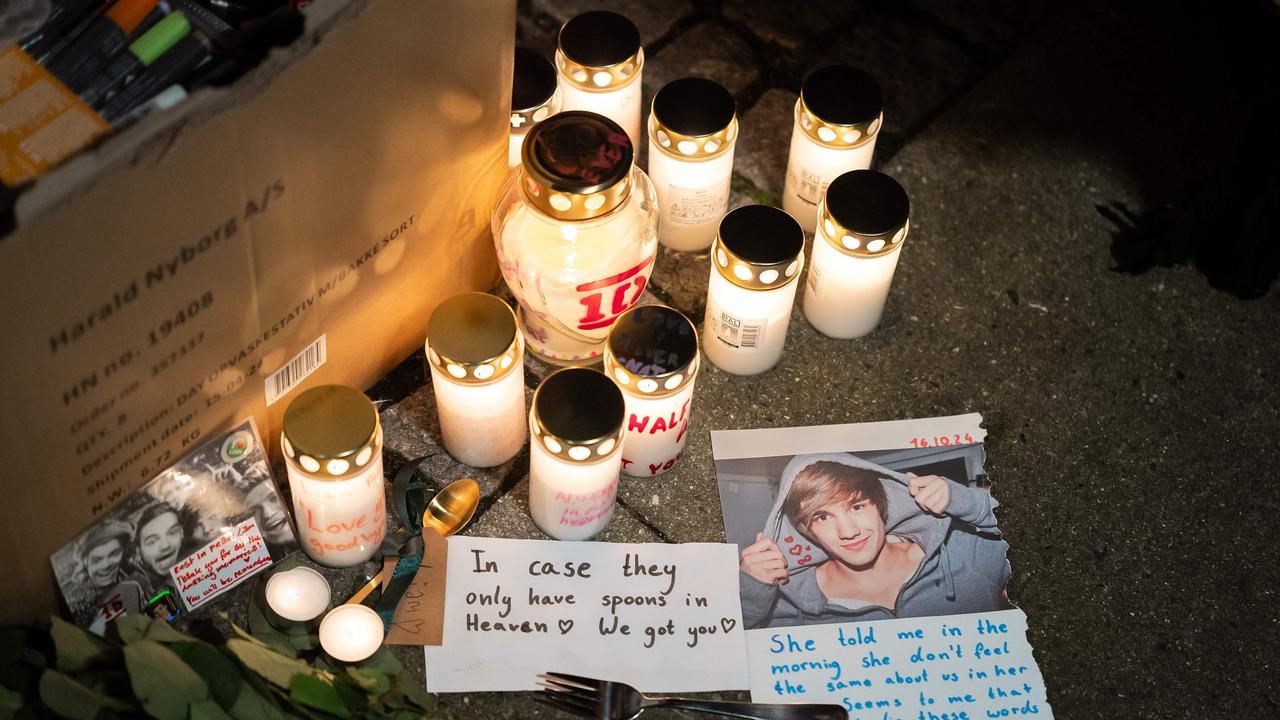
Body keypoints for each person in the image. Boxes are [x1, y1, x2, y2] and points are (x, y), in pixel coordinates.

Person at [738, 453, 1010, 627]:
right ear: (807, 531)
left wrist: (972, 503)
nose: (848, 531)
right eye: (822, 517)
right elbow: (720, 660)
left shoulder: (963, 553)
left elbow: (1044, 536)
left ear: (879, 505)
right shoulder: (786, 603)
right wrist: (750, 595)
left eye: (857, 506)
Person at [130, 502, 186, 598]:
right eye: (152, 542)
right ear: (138, 551)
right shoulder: (133, 591)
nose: (165, 545)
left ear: (182, 533)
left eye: (172, 533)